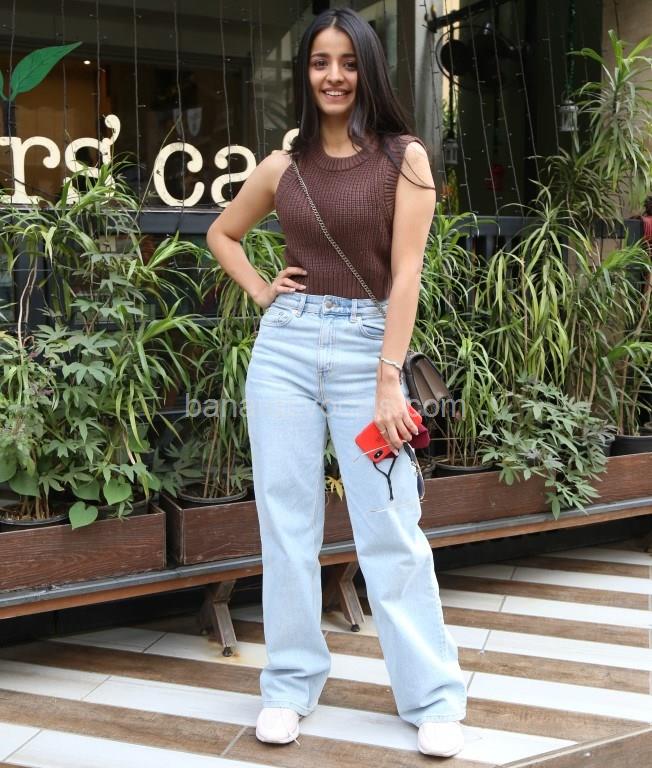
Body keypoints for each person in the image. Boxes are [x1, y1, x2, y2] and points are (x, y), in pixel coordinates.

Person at [206, 7, 467, 759]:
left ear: (369, 70)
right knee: (286, 525)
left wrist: (389, 380)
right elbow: (223, 232)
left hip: (367, 352)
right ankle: (289, 687)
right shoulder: (283, 165)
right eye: (320, 62)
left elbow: (407, 273)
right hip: (285, 351)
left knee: (391, 523)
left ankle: (433, 697)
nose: (334, 75)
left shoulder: (404, 158)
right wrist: (263, 290)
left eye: (348, 62)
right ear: (305, 73)